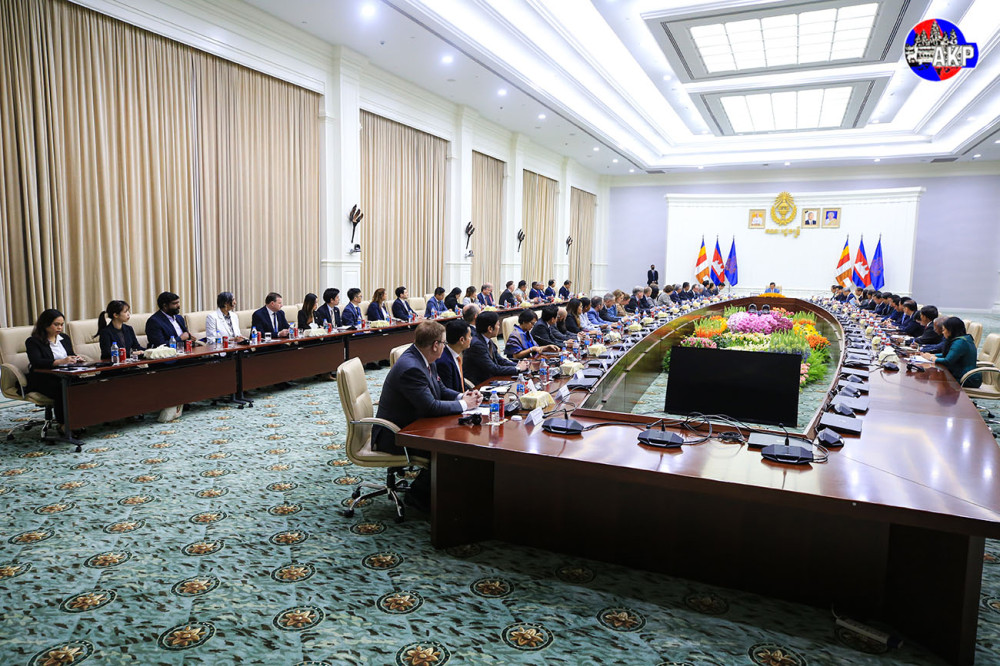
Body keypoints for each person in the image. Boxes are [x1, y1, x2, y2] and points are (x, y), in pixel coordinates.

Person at [372, 321, 482, 511]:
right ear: (435, 345)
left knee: (459, 439)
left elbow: (440, 389)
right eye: (444, 343)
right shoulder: (411, 367)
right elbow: (430, 407)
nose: (445, 347)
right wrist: (466, 405)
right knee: (452, 448)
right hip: (395, 434)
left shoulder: (425, 358)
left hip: (414, 422)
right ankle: (419, 497)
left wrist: (462, 396)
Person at [26, 309, 86, 429]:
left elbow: (70, 354)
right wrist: (60, 362)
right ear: (45, 324)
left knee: (84, 385)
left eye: (61, 324)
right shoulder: (33, 341)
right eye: (56, 324)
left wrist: (76, 358)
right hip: (43, 378)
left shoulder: (64, 338)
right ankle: (63, 424)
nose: (60, 328)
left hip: (65, 375)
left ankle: (81, 419)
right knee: (62, 389)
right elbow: (36, 362)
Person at [465, 311, 528, 385]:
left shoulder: (487, 339)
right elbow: (493, 369)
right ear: (490, 329)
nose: (499, 327)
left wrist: (517, 365)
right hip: (481, 384)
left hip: (491, 379)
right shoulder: (477, 345)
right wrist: (518, 368)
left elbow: (500, 360)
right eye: (498, 325)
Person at [920, 318, 981, 388]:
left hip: (967, 378)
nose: (943, 332)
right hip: (961, 375)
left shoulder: (960, 342)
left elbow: (947, 361)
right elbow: (949, 355)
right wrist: (932, 355)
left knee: (935, 380)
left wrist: (931, 358)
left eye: (944, 330)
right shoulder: (961, 339)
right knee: (935, 379)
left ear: (950, 330)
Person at [434, 319, 473, 393]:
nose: (471, 338)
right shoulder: (443, 362)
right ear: (462, 340)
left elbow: (461, 385)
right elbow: (448, 393)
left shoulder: (456, 355)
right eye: (469, 336)